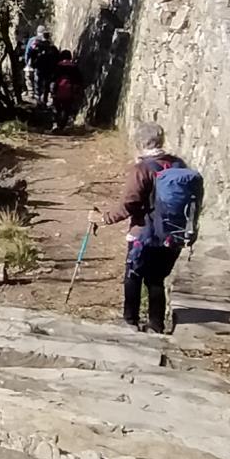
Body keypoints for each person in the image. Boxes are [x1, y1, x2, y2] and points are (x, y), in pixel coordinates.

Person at [87, 122, 205, 333]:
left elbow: (129, 204)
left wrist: (103, 218)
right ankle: (156, 325)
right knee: (156, 279)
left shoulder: (142, 170)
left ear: (139, 143)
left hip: (145, 233)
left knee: (133, 275)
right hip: (172, 233)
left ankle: (130, 322)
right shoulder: (178, 164)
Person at [20, 26, 54, 105]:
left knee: (36, 83)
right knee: (43, 83)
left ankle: (36, 100)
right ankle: (43, 100)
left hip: (36, 66)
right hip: (45, 66)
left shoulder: (33, 40)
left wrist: (27, 63)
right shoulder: (48, 43)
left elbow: (28, 52)